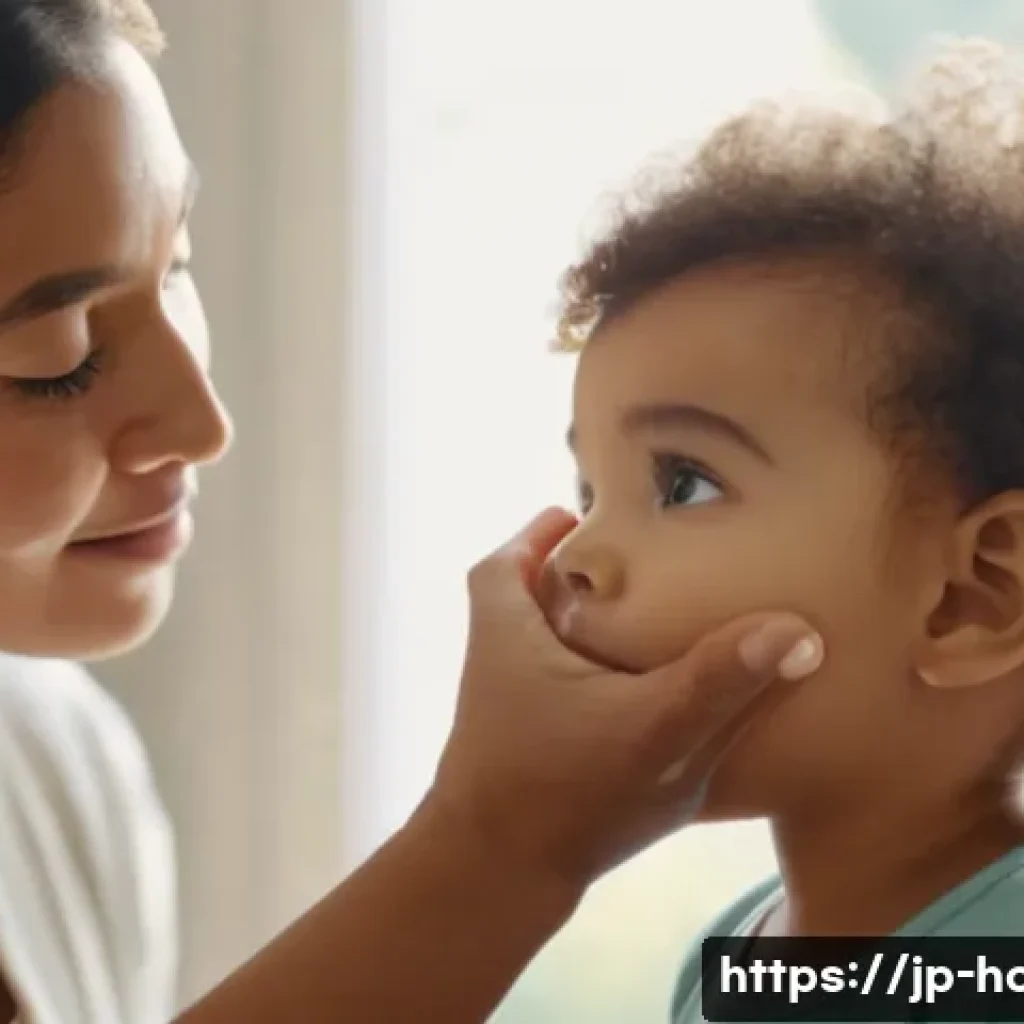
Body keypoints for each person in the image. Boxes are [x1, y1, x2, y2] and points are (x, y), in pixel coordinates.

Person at [0, 2, 829, 1022]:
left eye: (176, 265)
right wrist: (503, 839)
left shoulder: (51, 764)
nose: (203, 423)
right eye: (59, 358)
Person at [541, 33, 1024, 1024]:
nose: (574, 555)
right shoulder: (733, 952)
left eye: (682, 483)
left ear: (974, 595)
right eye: (589, 491)